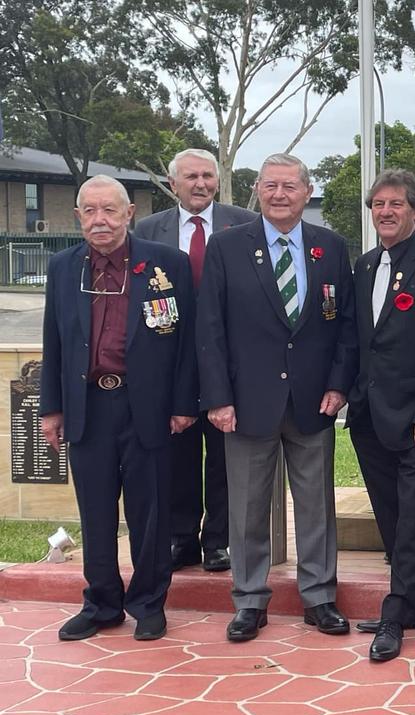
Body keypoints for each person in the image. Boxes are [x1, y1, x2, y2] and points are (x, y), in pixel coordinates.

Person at [196, 153, 358, 642]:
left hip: (313, 403)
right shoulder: (227, 248)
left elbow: (345, 325)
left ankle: (320, 597)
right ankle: (248, 600)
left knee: (316, 506)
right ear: (258, 191)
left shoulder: (330, 247)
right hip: (245, 404)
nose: (280, 194)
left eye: (290, 186)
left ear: (307, 192)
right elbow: (210, 330)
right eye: (271, 186)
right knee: (246, 509)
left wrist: (337, 384)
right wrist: (218, 398)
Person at [40, 175, 198, 642]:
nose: (100, 220)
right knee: (95, 510)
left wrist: (183, 403)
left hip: (145, 405)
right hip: (88, 406)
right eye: (89, 211)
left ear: (129, 213)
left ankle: (149, 603)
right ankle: (102, 602)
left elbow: (187, 341)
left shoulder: (166, 265)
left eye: (109, 210)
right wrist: (52, 409)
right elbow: (55, 341)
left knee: (151, 512)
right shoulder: (64, 267)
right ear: (78, 217)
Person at [345, 169, 415, 661]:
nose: (386, 212)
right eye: (378, 205)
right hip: (369, 417)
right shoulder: (365, 266)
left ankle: (394, 615)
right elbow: (356, 341)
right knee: (391, 518)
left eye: (395, 204)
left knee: (414, 520)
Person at [134, 148, 256, 574]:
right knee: (178, 453)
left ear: (218, 181)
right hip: (172, 362)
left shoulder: (245, 224)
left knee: (224, 456)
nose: (200, 183)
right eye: (191, 177)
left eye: (208, 176)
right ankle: (181, 536)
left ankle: (217, 541)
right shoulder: (148, 230)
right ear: (173, 184)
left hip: (228, 362)